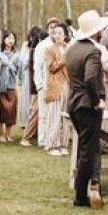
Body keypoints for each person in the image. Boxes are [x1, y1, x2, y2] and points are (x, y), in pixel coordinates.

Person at [66, 10, 108, 210]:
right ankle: (80, 196)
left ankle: (81, 192)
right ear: (95, 32)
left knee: (84, 150)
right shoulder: (93, 51)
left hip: (73, 102)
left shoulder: (72, 49)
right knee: (88, 152)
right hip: (86, 104)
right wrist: (96, 100)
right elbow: (91, 78)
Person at [44, 23, 70, 156]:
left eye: (60, 33)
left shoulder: (69, 48)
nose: (58, 35)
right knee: (54, 116)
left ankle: (63, 144)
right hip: (55, 85)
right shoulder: (49, 49)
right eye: (55, 33)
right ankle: (52, 144)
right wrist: (63, 59)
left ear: (65, 35)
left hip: (67, 84)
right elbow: (52, 67)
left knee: (66, 116)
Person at [34, 17, 60, 148]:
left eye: (56, 27)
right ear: (47, 29)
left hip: (58, 85)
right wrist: (39, 85)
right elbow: (37, 67)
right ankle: (43, 140)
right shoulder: (42, 45)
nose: (54, 30)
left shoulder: (61, 45)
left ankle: (53, 139)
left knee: (55, 115)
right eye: (51, 28)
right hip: (44, 83)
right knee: (44, 114)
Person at [20, 27, 45, 147]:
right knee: (34, 111)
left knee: (37, 112)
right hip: (36, 86)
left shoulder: (36, 50)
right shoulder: (34, 51)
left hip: (37, 85)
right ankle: (26, 137)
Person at [0, 31, 21, 142]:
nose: (11, 40)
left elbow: (20, 70)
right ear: (3, 40)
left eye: (12, 38)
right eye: (8, 38)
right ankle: (0, 134)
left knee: (11, 110)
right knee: (0, 110)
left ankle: (8, 134)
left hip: (11, 85)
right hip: (0, 85)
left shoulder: (17, 55)